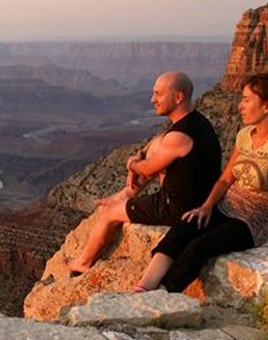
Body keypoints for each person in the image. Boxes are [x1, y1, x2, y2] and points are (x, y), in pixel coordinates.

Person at [132, 71, 268, 294]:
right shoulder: (245, 135)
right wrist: (206, 207)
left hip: (253, 220)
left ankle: (164, 294)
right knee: (184, 228)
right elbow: (226, 179)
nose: (240, 106)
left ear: (267, 106)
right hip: (226, 206)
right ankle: (143, 287)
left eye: (247, 100)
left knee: (201, 246)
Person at [66, 70, 221, 274]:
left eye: (158, 94)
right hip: (198, 199)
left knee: (108, 213)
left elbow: (148, 168)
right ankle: (127, 194)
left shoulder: (180, 137)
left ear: (178, 97)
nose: (152, 99)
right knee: (157, 145)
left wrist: (132, 164)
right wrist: (142, 153)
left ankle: (83, 263)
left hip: (177, 208)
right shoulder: (197, 122)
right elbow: (158, 144)